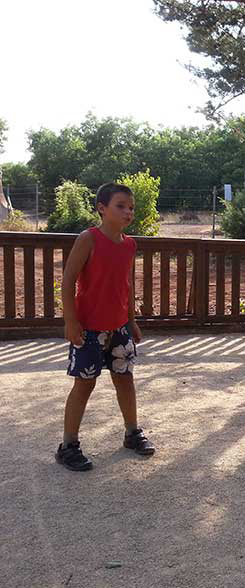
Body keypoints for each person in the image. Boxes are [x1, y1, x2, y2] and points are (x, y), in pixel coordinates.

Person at [55, 183, 155, 471]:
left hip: (119, 327)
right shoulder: (89, 239)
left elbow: (127, 284)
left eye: (131, 207)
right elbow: (68, 281)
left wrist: (132, 321)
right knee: (84, 383)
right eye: (120, 206)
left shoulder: (130, 244)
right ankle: (68, 445)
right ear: (102, 208)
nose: (128, 212)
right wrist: (71, 322)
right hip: (88, 328)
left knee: (125, 379)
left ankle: (132, 433)